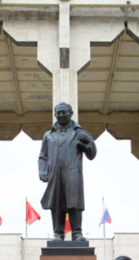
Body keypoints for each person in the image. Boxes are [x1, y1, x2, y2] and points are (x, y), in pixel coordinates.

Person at [38, 102, 97, 241]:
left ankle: (77, 232)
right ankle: (58, 233)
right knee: (56, 204)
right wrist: (42, 171)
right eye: (58, 113)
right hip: (55, 174)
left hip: (73, 173)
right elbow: (43, 156)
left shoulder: (79, 133)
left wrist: (89, 141)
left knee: (74, 203)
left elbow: (92, 155)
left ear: (71, 114)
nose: (61, 115)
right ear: (55, 114)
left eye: (64, 112)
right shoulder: (48, 135)